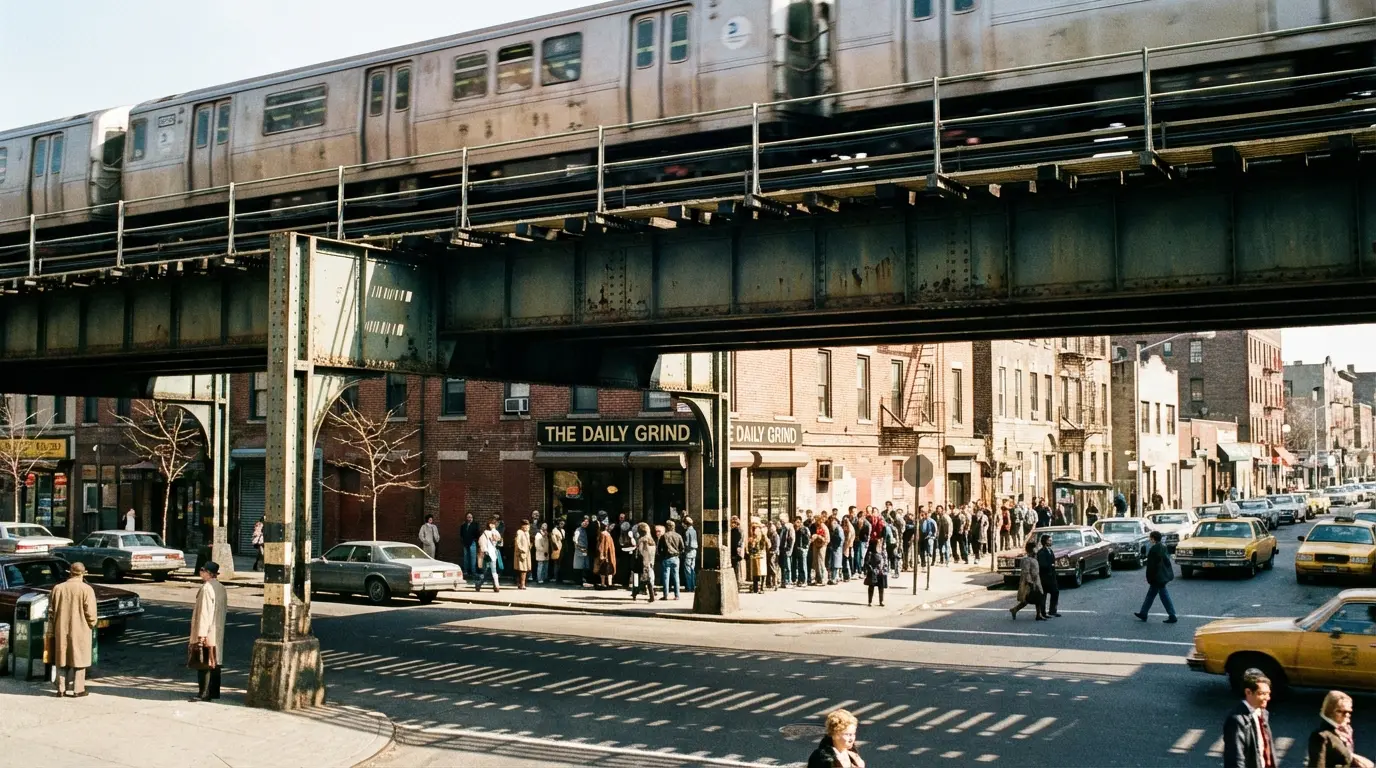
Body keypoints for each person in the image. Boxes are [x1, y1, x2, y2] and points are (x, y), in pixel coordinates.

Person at [46, 561, 98, 697]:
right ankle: (78, 689)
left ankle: (61, 688)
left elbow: (51, 611)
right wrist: (92, 624)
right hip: (81, 628)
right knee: (79, 658)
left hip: (61, 628)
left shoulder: (58, 588)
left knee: (61, 658)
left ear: (70, 571)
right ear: (84, 572)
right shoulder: (87, 589)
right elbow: (91, 613)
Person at [187, 561, 228, 701]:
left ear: (208, 573)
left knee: (204, 662)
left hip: (208, 630)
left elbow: (204, 613)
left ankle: (203, 694)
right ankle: (214, 692)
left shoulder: (206, 588)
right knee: (215, 662)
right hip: (217, 628)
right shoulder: (221, 587)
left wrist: (202, 634)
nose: (200, 573)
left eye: (202, 570)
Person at [1223, 668, 1275, 768]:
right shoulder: (1237, 720)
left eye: (1268, 693)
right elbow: (1235, 758)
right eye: (1262, 694)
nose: (1268, 698)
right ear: (1248, 692)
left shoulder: (1263, 713)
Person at [1308, 691, 1374, 768]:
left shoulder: (1345, 729)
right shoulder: (1321, 736)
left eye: (1349, 712)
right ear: (1329, 712)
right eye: (1340, 711)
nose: (1346, 715)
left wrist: (1354, 758)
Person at [1135, 530, 1178, 623]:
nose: (1149, 540)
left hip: (1157, 577)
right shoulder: (1163, 547)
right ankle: (1143, 613)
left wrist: (1150, 578)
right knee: (1153, 595)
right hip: (1162, 576)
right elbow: (1167, 561)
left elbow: (1152, 566)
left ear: (1153, 539)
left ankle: (1172, 615)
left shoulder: (1154, 549)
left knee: (1163, 596)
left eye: (1150, 538)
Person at [1009, 541, 1046, 620]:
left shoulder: (1034, 558)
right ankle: (1015, 610)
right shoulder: (1027, 560)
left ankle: (1038, 615)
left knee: (1037, 597)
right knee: (1029, 598)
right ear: (1032, 549)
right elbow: (1026, 572)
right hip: (1031, 582)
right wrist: (1030, 582)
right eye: (1036, 547)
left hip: (1036, 580)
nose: (1037, 549)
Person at [630, 522, 656, 602]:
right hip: (650, 561)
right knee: (649, 580)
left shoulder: (642, 540)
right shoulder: (651, 540)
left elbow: (641, 551)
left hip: (642, 561)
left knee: (637, 578)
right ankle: (651, 595)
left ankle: (635, 593)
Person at [1036, 533, 1061, 618]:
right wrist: (1051, 565)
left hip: (1051, 576)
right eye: (1049, 540)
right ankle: (1043, 612)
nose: (1051, 542)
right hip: (1045, 577)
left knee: (1055, 592)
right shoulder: (1041, 552)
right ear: (1045, 541)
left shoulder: (1050, 550)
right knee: (1044, 594)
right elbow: (1042, 565)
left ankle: (1052, 610)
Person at [659, 519, 685, 600]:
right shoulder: (678, 536)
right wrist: (678, 554)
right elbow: (682, 548)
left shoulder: (664, 536)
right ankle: (677, 595)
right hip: (676, 558)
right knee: (676, 577)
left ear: (667, 527)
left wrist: (662, 556)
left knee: (666, 577)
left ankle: (665, 595)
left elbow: (659, 548)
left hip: (666, 558)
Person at [474, 520, 501, 592]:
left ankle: (481, 584)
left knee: (489, 571)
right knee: (492, 570)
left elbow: (498, 539)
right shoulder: (486, 533)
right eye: (492, 524)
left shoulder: (491, 533)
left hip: (489, 553)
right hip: (490, 554)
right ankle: (496, 585)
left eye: (494, 524)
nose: (493, 526)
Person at [862, 540, 888, 607]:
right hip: (873, 572)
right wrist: (871, 569)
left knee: (881, 587)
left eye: (880, 544)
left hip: (881, 572)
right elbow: (867, 562)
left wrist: (884, 569)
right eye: (878, 544)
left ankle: (881, 601)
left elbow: (886, 561)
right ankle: (870, 601)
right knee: (871, 586)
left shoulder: (883, 552)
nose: (879, 545)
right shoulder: (870, 553)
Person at [595, 519, 618, 589]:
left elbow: (602, 545)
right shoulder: (607, 534)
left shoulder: (603, 534)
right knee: (609, 569)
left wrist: (601, 554)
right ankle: (609, 584)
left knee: (603, 569)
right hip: (609, 554)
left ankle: (603, 584)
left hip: (606, 555)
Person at [747, 522, 768, 594]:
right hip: (757, 556)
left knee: (761, 572)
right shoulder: (753, 539)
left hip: (760, 556)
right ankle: (757, 588)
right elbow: (750, 548)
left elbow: (768, 545)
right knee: (757, 573)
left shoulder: (762, 537)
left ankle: (761, 587)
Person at [459, 513, 480, 578]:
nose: (469, 518)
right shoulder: (463, 525)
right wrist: (463, 541)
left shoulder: (475, 525)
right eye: (468, 517)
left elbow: (478, 533)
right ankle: (465, 571)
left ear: (472, 518)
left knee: (473, 558)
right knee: (466, 558)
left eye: (470, 517)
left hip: (472, 543)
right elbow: (461, 534)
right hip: (465, 543)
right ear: (466, 518)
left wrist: (475, 540)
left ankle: (473, 572)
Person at [513, 519, 532, 590]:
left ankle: (522, 584)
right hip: (521, 554)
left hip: (527, 553)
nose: (527, 527)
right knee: (522, 569)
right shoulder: (519, 532)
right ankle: (522, 584)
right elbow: (517, 543)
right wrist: (522, 550)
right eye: (526, 526)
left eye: (528, 525)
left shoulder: (527, 533)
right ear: (522, 526)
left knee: (525, 569)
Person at [682, 516, 699, 592]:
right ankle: (693, 585)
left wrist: (683, 550)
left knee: (688, 570)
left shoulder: (687, 532)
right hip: (694, 551)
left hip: (688, 552)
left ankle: (689, 587)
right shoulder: (694, 531)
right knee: (692, 569)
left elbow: (687, 543)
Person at [573, 518, 590, 585]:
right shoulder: (578, 530)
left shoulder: (585, 530)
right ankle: (578, 582)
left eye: (587, 522)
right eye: (584, 522)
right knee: (578, 566)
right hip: (579, 551)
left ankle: (583, 581)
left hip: (585, 551)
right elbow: (575, 541)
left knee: (584, 566)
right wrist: (580, 549)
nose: (586, 523)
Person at [549, 519, 564, 583]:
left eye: (563, 524)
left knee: (560, 563)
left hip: (562, 547)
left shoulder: (563, 530)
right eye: (561, 523)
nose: (562, 525)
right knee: (556, 563)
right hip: (557, 548)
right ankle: (556, 577)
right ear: (558, 524)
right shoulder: (554, 530)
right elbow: (553, 540)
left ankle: (560, 577)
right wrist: (556, 548)